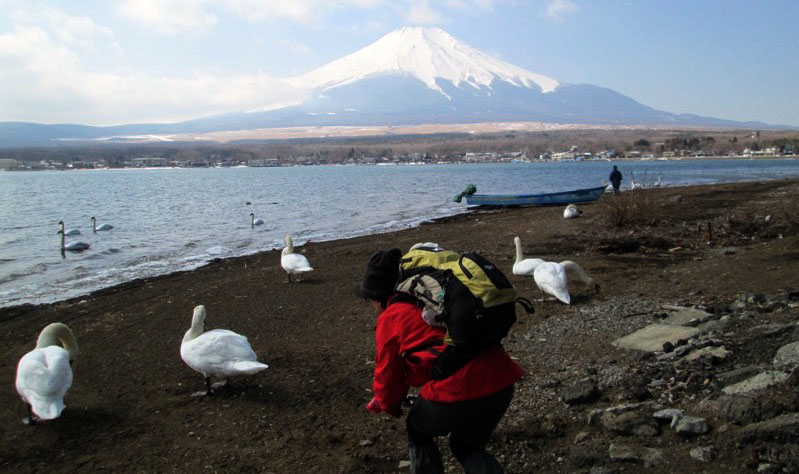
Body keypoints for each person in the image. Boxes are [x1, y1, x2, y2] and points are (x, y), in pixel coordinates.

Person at [356, 248, 524, 474]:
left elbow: (388, 375)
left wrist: (388, 404)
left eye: (370, 300)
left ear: (377, 298)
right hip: (502, 380)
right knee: (466, 446)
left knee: (417, 430)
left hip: (459, 389)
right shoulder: (437, 298)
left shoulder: (392, 317)